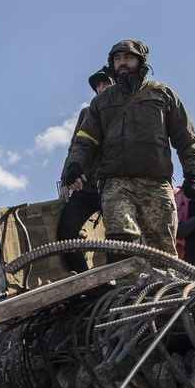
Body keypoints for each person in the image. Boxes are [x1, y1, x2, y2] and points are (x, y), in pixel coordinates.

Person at [62, 41, 195, 257]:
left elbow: (185, 137)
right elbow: (84, 140)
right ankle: (126, 278)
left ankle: (164, 278)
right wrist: (74, 165)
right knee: (121, 242)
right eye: (117, 59)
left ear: (140, 61)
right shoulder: (101, 101)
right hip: (115, 183)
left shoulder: (163, 95)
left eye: (128, 57)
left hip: (156, 183)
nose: (122, 63)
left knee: (163, 252)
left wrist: (192, 173)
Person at [55, 68, 113, 273]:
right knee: (66, 230)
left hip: (116, 184)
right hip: (87, 185)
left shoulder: (127, 110)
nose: (101, 87)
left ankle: (120, 281)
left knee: (119, 234)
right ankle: (84, 279)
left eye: (106, 83)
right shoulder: (87, 113)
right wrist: (66, 180)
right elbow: (75, 146)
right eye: (98, 85)